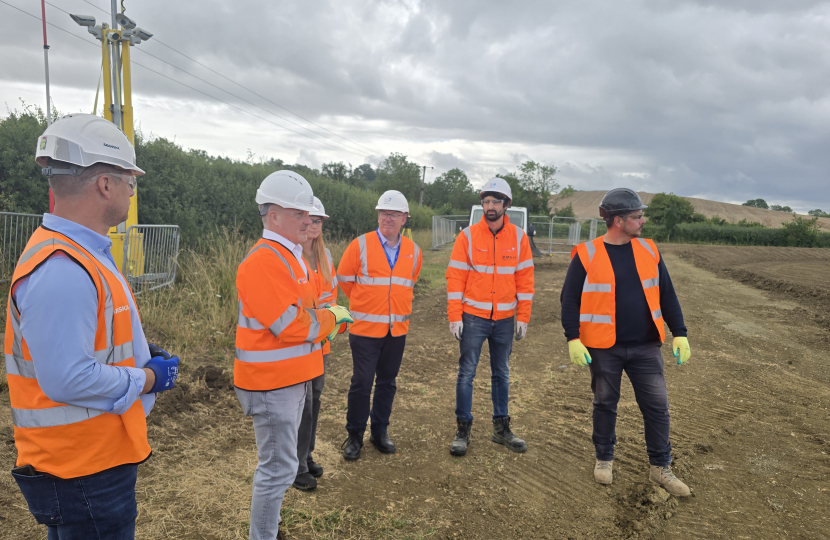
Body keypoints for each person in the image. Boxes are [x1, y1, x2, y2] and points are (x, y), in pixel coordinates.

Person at [6, 113, 180, 538]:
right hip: (83, 470)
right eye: (129, 181)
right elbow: (67, 378)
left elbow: (95, 340)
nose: (130, 191)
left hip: (89, 460)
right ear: (105, 185)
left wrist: (142, 353)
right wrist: (146, 378)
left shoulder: (82, 253)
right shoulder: (63, 268)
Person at [234, 171, 353, 540]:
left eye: (309, 213)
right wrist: (332, 319)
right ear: (273, 216)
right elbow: (289, 324)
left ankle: (269, 528)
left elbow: (304, 315)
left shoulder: (290, 257)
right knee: (277, 469)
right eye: (300, 213)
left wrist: (327, 320)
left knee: (282, 467)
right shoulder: (264, 261)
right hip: (272, 385)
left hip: (291, 378)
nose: (309, 219)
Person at [560, 187, 692, 497]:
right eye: (637, 216)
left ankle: (661, 468)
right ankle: (604, 459)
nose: (643, 221)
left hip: (646, 346)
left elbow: (667, 294)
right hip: (604, 347)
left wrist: (680, 332)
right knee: (605, 403)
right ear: (618, 221)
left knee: (658, 408)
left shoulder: (649, 250)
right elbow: (570, 301)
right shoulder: (587, 254)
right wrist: (573, 338)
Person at [445, 177, 535, 457]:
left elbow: (525, 279)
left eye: (496, 201)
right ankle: (463, 429)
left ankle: (501, 429)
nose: (490, 206)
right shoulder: (468, 236)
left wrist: (523, 316)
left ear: (506, 205)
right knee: (466, 374)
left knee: (502, 374)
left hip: (506, 319)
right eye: (486, 201)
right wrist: (454, 315)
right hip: (473, 317)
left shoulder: (519, 237)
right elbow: (455, 277)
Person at [336, 190, 422, 461]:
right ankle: (354, 435)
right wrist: (366, 304)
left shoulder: (414, 252)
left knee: (387, 382)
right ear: (378, 215)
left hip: (396, 331)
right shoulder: (360, 245)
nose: (388, 218)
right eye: (384, 213)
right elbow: (345, 280)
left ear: (404, 219)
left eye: (394, 214)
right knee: (361, 383)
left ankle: (379, 431)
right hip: (364, 330)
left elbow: (409, 283)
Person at [293, 197, 339, 491]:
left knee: (316, 399)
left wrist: (332, 325)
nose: (312, 225)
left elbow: (331, 299)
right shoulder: (291, 256)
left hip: (320, 342)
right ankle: (296, 467)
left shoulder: (326, 257)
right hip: (298, 342)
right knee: (303, 404)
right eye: (309, 219)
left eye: (318, 221)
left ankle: (306, 456)